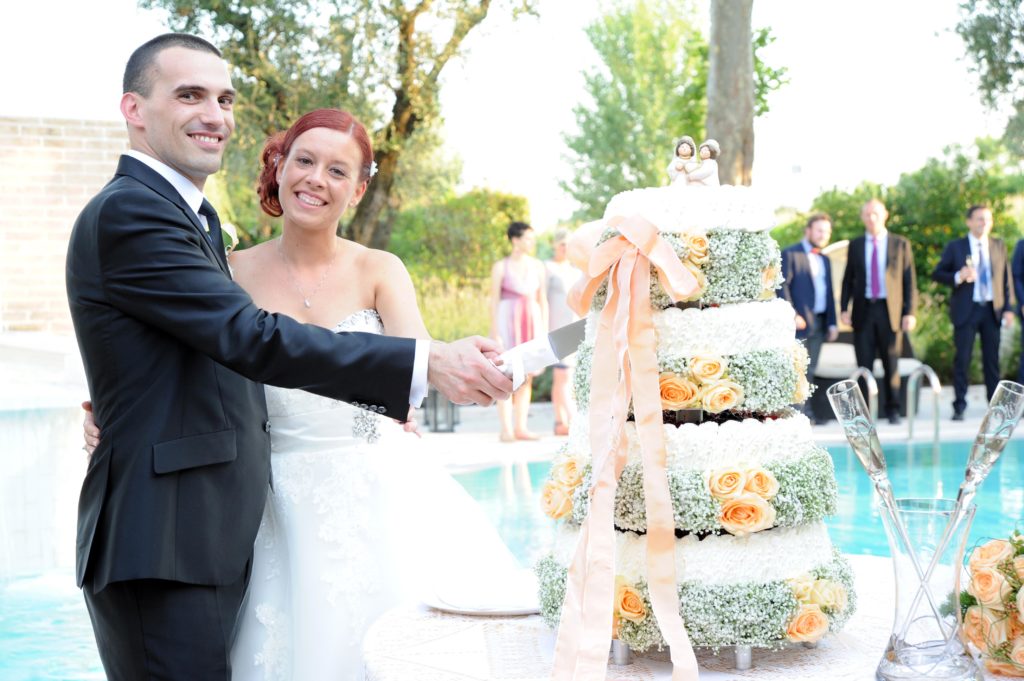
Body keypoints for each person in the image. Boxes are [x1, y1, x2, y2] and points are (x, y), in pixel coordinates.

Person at [67, 34, 511, 681]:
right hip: (165, 541)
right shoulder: (137, 211)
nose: (213, 113)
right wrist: (424, 362)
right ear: (134, 109)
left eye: (224, 97)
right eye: (188, 94)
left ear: (359, 189)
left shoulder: (191, 217)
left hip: (214, 529)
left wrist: (121, 406)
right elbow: (250, 336)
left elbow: (194, 350)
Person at [932, 205, 1014, 420]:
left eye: (987, 219)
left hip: (991, 310)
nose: (984, 223)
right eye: (979, 219)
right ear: (969, 222)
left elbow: (1006, 279)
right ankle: (959, 405)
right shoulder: (956, 247)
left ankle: (995, 407)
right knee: (962, 359)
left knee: (992, 360)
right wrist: (959, 276)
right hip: (966, 311)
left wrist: (1008, 309)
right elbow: (938, 273)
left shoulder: (998, 245)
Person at [839, 199, 918, 425]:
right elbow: (848, 280)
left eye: (875, 214)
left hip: (890, 311)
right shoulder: (855, 245)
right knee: (864, 364)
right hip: (863, 310)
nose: (871, 218)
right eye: (867, 214)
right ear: (862, 217)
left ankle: (892, 410)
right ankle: (864, 412)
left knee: (890, 362)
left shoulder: (900, 244)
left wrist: (909, 312)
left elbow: (909, 281)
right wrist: (844, 308)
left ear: (885, 215)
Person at [490, 222, 548, 441]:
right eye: (527, 238)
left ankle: (521, 427)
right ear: (515, 239)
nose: (531, 243)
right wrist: (495, 331)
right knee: (505, 373)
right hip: (508, 321)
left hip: (531, 321)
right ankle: (506, 429)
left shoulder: (537, 266)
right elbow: (494, 302)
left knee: (527, 374)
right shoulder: (500, 267)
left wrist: (544, 328)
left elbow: (543, 300)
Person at [778, 213, 839, 422]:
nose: (824, 235)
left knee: (810, 369)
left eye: (827, 231)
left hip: (820, 322)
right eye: (820, 230)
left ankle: (808, 412)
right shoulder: (791, 254)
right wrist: (792, 314)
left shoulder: (825, 259)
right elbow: (782, 286)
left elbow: (829, 293)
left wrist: (832, 322)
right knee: (797, 369)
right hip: (799, 324)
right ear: (808, 231)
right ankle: (796, 413)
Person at [545, 229, 582, 436]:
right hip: (556, 328)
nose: (565, 249)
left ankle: (560, 422)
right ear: (556, 245)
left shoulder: (576, 271)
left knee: (563, 377)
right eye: (562, 244)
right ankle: (572, 420)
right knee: (563, 375)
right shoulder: (548, 268)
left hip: (574, 327)